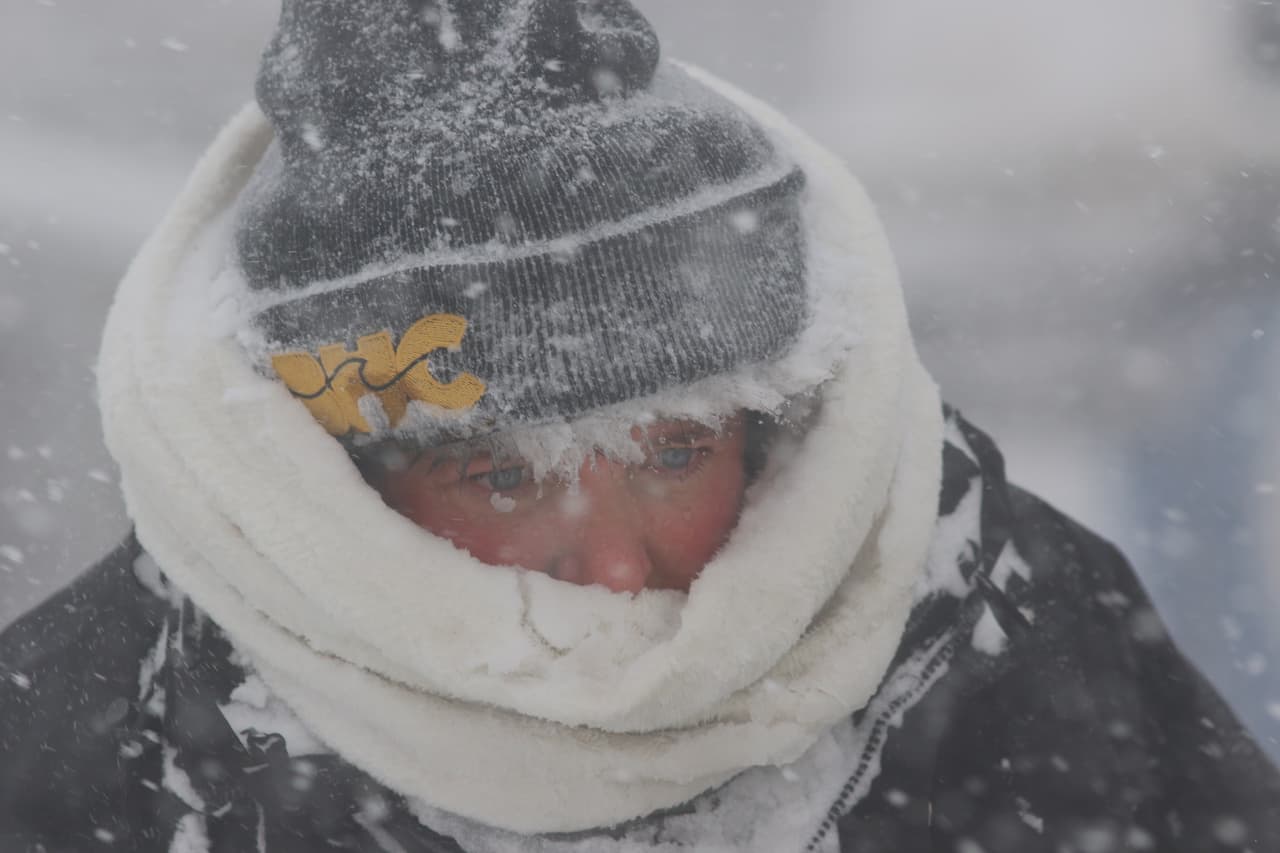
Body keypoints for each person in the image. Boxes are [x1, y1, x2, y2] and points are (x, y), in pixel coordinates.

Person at [2, 1, 1278, 851]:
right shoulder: (96, 752)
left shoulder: (1018, 636)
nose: (614, 565)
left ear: (777, 426)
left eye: (674, 453)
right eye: (499, 473)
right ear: (335, 473)